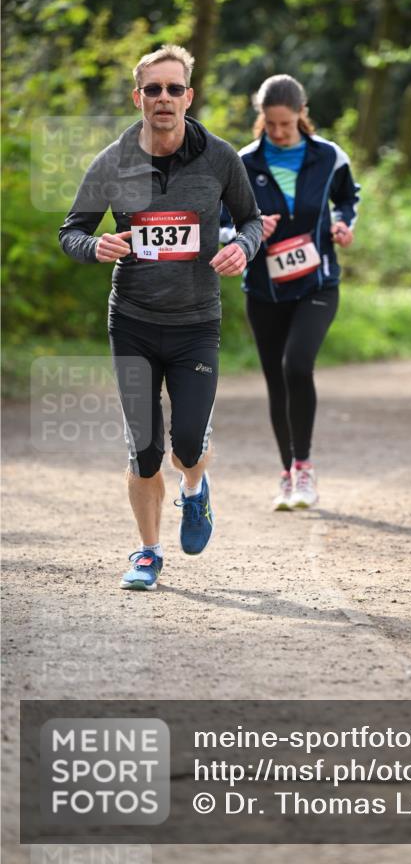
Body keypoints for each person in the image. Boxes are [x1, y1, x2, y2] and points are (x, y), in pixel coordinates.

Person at [59, 45, 262, 590]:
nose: (164, 99)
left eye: (175, 89)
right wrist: (93, 246)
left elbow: (251, 221)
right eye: (154, 89)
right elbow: (71, 230)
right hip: (133, 320)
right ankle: (147, 552)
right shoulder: (112, 161)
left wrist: (243, 246)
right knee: (144, 446)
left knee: (187, 444)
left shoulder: (220, 158)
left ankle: (195, 490)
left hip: (197, 321)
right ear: (138, 97)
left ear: (189, 97)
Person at [232, 74, 360, 510]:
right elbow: (220, 219)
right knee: (275, 382)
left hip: (317, 281)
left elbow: (349, 198)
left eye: (286, 124)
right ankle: (287, 474)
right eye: (271, 124)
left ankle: (304, 469)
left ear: (302, 115)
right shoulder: (244, 162)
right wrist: (246, 230)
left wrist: (344, 224)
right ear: (261, 120)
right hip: (264, 288)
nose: (279, 132)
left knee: (297, 364)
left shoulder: (328, 156)